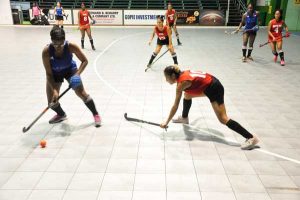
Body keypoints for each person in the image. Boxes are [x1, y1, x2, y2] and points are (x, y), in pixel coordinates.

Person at [160, 65, 259, 150]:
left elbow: (175, 106)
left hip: (214, 88)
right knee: (187, 95)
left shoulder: (181, 84)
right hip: (211, 84)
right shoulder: (182, 75)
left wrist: (166, 122)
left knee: (223, 118)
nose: (166, 80)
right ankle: (184, 118)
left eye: (166, 77)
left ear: (173, 76)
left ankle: (250, 138)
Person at [42, 26, 101, 127]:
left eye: (61, 43)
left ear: (64, 40)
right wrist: (55, 91)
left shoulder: (71, 46)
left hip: (70, 70)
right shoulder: (46, 52)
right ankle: (61, 115)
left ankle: (96, 114)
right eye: (55, 44)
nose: (59, 47)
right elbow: (49, 73)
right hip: (54, 74)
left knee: (82, 93)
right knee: (51, 102)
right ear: (51, 41)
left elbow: (85, 61)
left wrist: (77, 75)